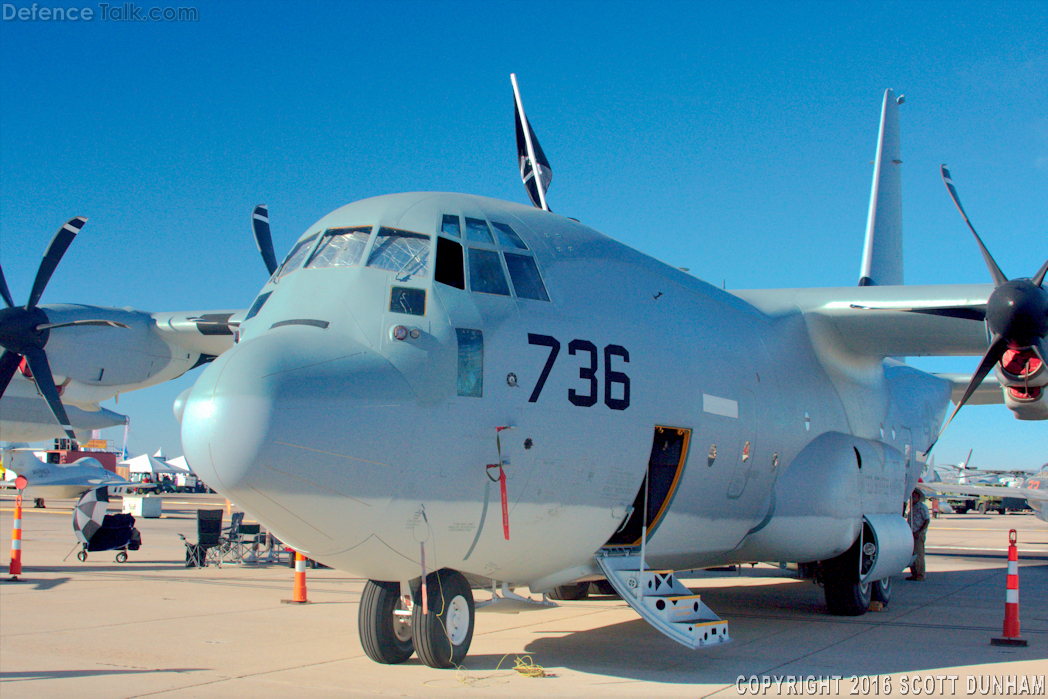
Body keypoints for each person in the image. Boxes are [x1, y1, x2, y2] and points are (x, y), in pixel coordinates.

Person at [907, 489, 930, 581]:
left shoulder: (922, 507)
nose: (913, 498)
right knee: (912, 554)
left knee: (918, 554)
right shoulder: (912, 507)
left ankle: (920, 574)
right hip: (911, 533)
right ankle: (914, 573)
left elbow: (927, 520)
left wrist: (920, 532)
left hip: (918, 533)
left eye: (915, 496)